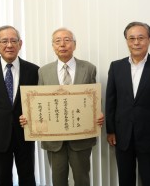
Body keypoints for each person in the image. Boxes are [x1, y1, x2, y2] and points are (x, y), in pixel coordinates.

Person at [20, 27, 104, 186]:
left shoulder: (89, 68)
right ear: (53, 46)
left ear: (75, 44)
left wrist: (98, 114)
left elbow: (94, 99)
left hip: (81, 138)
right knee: (58, 180)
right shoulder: (43, 71)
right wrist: (29, 117)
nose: (62, 44)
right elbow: (39, 103)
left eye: (67, 40)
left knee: (82, 179)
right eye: (57, 41)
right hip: (54, 140)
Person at [105, 21, 150, 186]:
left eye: (141, 38)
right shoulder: (116, 67)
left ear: (149, 40)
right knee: (125, 179)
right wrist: (110, 130)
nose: (136, 42)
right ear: (127, 41)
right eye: (132, 38)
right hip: (122, 135)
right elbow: (111, 101)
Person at [0, 25, 38, 185]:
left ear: (20, 44)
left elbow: (37, 103)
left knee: (27, 176)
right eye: (4, 41)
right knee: (2, 177)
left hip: (25, 132)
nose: (9, 45)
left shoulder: (34, 70)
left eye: (13, 41)